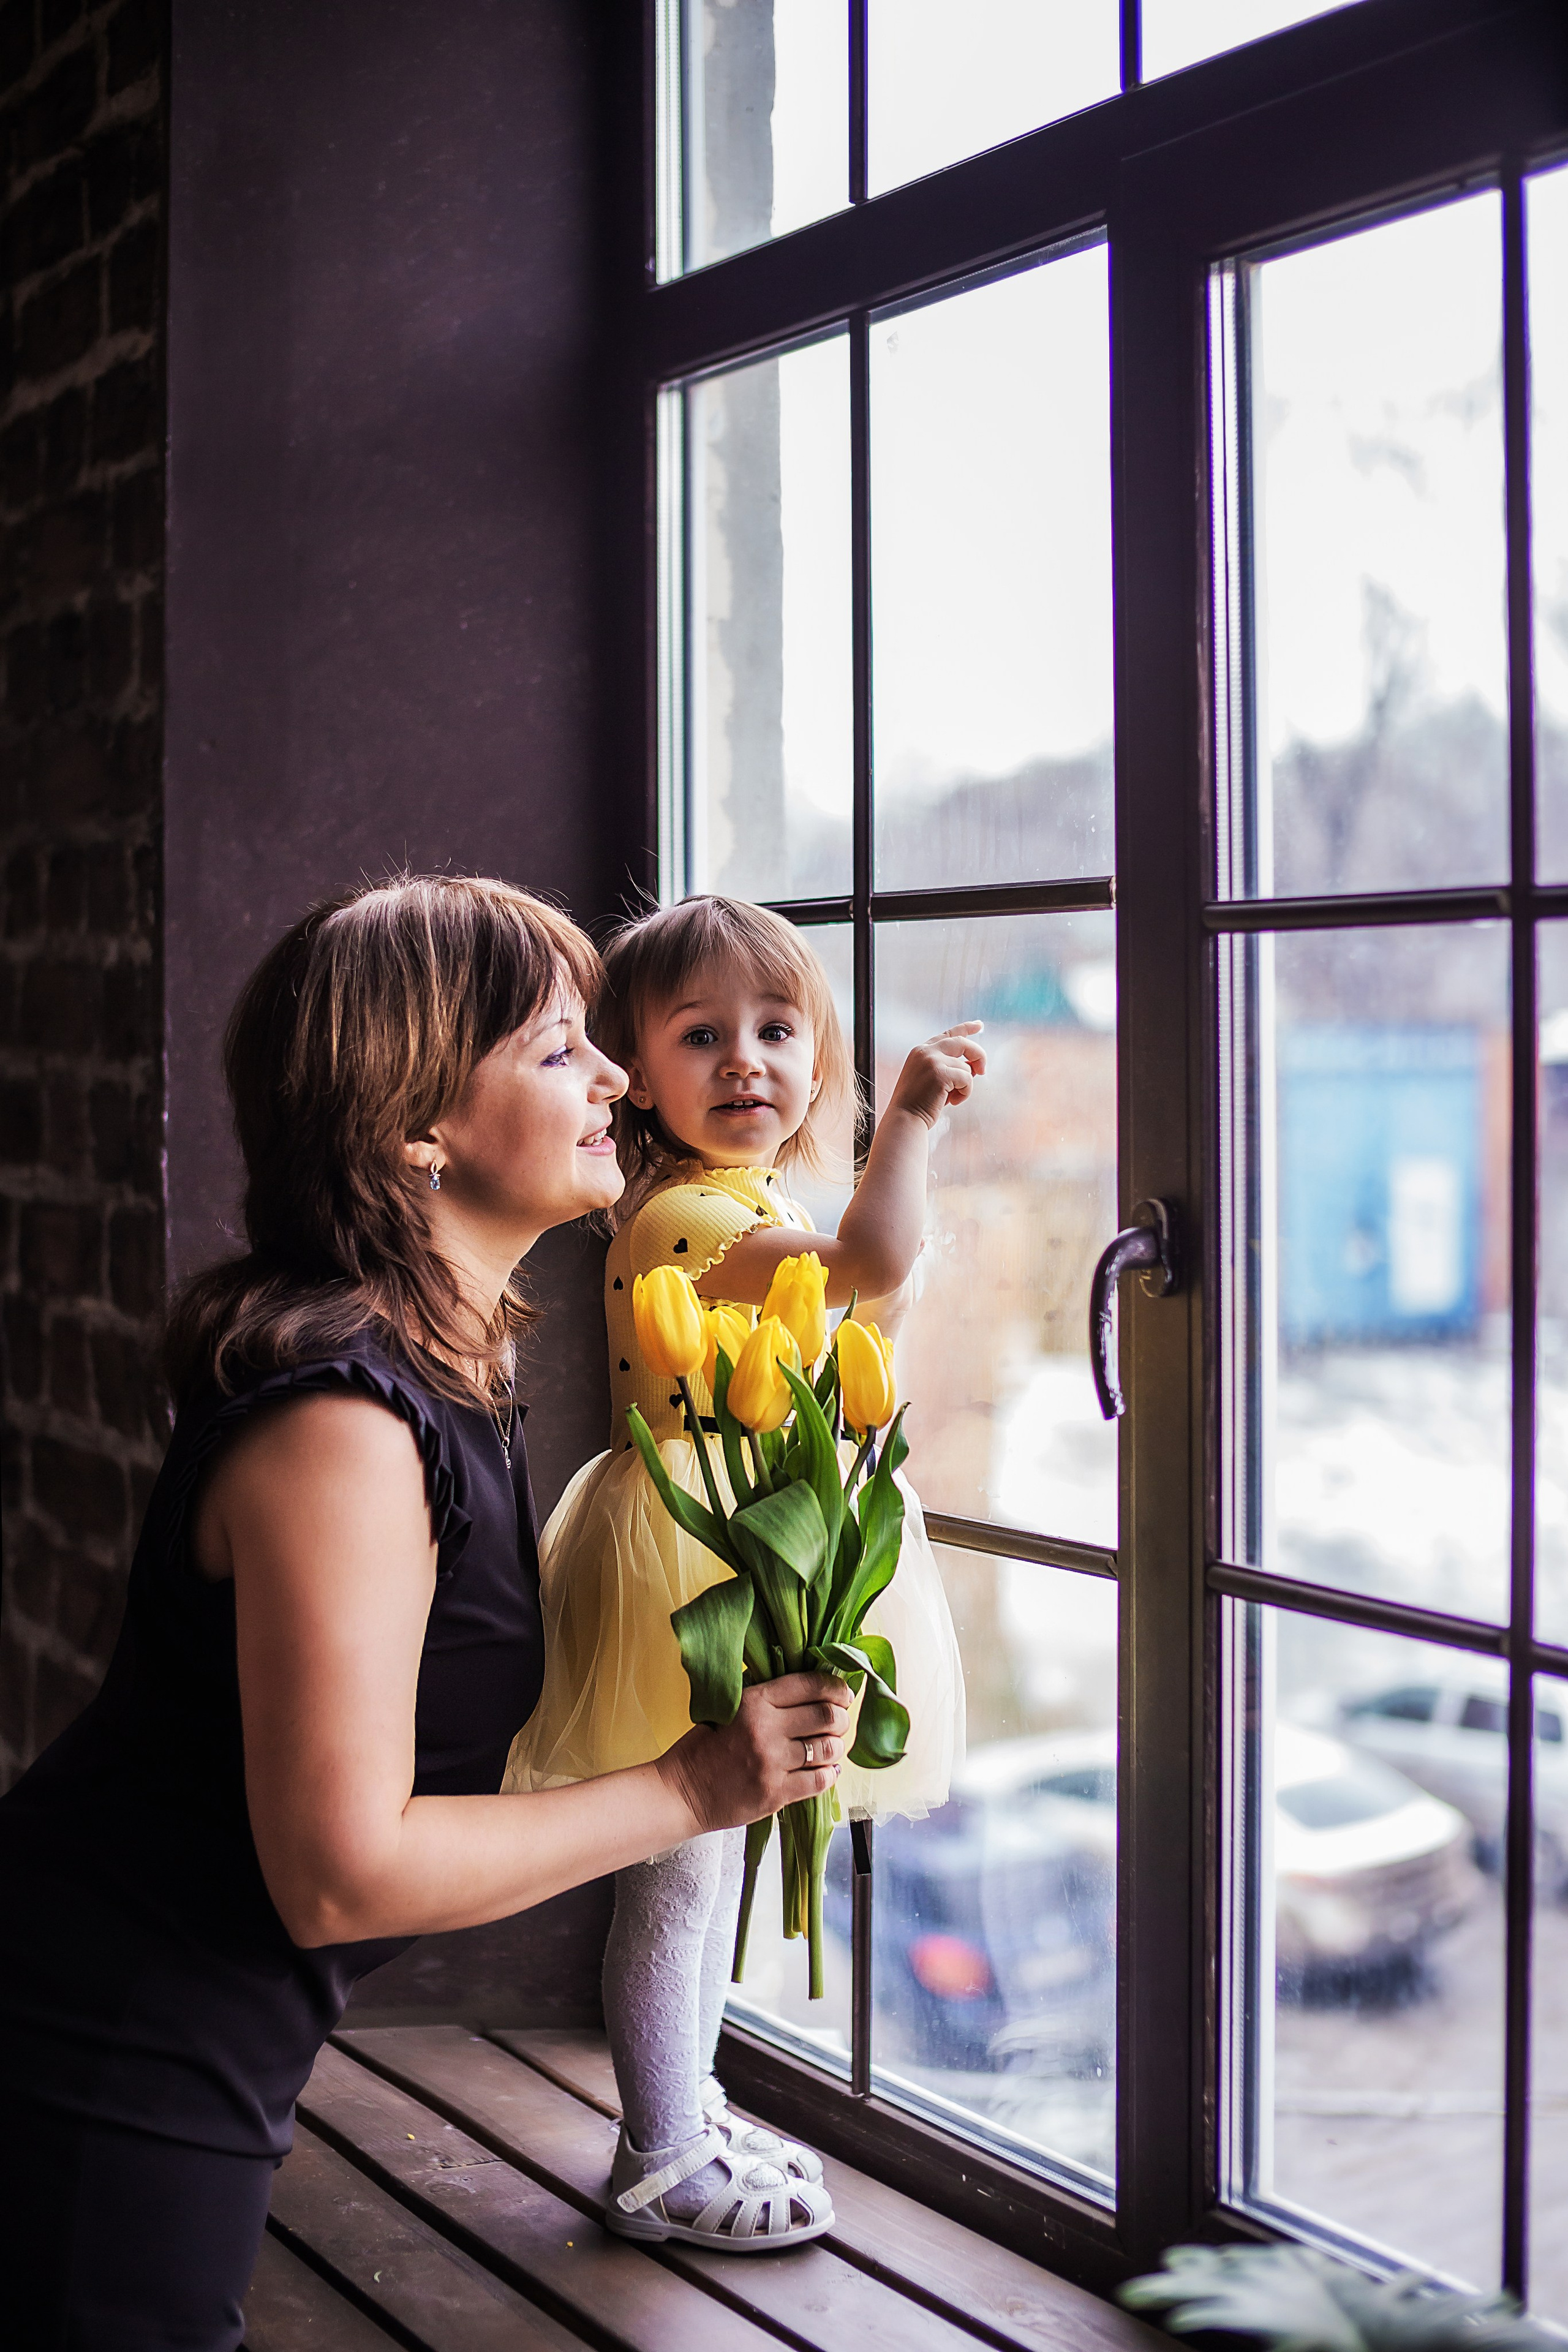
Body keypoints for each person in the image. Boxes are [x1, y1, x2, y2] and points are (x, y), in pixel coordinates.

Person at [0, 876, 850, 2351]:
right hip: (103, 2056)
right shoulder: (341, 1421)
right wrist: (691, 1787)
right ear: (415, 1125)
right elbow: (340, 1876)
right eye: (555, 1048)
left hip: (190, 2045)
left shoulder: (442, 1362)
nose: (612, 1077)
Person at [505, 891, 982, 2250]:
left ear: (809, 1054)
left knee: (705, 1863)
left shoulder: (740, 1199)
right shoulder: (682, 1222)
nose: (743, 1061)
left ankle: (687, 2106)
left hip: (746, 1535)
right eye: (699, 1035)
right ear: (636, 1076)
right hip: (690, 1565)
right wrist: (912, 1121)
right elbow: (869, 1262)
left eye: (776, 1029)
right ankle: (656, 2155)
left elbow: (849, 1323)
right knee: (681, 1864)